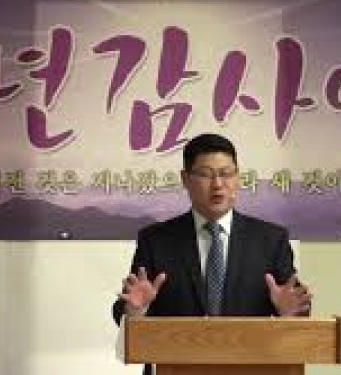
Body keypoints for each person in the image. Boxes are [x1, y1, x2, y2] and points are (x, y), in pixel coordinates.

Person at [111, 133, 311, 374]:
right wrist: (136, 310)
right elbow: (126, 308)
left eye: (226, 173)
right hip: (175, 367)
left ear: (238, 177)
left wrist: (288, 313)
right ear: (185, 179)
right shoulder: (156, 240)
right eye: (205, 174)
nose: (218, 184)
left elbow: (295, 305)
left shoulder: (270, 240)